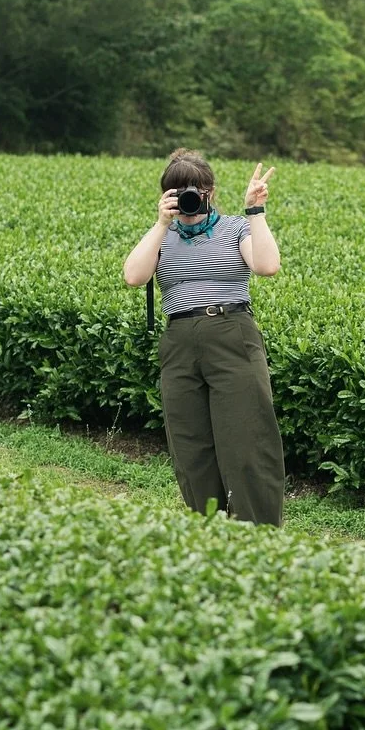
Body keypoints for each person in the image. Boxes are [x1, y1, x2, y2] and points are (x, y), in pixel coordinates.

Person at [122, 149, 285, 526]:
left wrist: (255, 212)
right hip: (179, 341)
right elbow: (134, 276)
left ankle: (258, 537)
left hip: (232, 334)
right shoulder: (163, 236)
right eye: (177, 193)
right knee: (190, 445)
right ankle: (208, 530)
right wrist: (161, 223)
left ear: (210, 191)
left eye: (194, 192)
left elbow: (267, 266)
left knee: (247, 440)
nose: (189, 201)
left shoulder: (235, 228)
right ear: (166, 196)